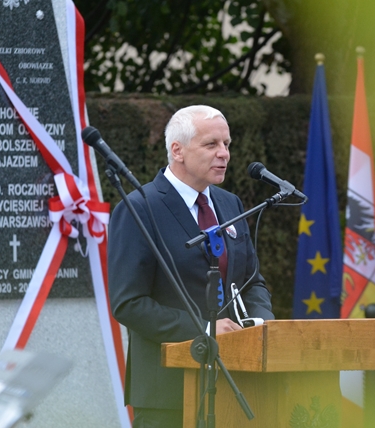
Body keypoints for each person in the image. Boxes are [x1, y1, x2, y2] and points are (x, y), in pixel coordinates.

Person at [108, 105, 274, 428]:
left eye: (226, 144)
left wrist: (261, 325)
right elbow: (128, 303)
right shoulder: (139, 208)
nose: (224, 154)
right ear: (177, 151)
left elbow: (252, 281)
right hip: (167, 392)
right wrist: (205, 329)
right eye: (211, 144)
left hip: (235, 383)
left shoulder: (230, 203)